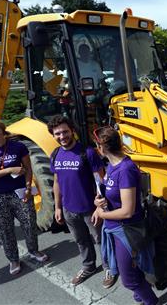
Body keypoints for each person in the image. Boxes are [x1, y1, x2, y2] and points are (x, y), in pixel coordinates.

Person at [47, 115, 117, 288]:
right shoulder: (56, 154)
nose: (62, 136)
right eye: (57, 134)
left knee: (101, 240)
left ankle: (110, 268)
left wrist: (99, 208)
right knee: (81, 241)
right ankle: (89, 266)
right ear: (53, 135)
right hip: (69, 210)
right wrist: (58, 207)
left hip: (90, 209)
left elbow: (101, 181)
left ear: (72, 131)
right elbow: (57, 182)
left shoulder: (87, 153)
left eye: (65, 132)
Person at [0, 119, 49, 275]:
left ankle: (34, 251)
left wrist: (28, 187)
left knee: (29, 224)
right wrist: (8, 170)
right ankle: (13, 259)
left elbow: (28, 169)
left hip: (20, 192)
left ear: (0, 131)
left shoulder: (18, 147)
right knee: (5, 230)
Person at [93, 127, 158, 305]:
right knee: (132, 271)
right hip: (116, 227)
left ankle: (152, 301)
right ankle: (142, 294)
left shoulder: (126, 169)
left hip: (127, 230)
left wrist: (102, 213)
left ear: (101, 147)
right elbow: (108, 192)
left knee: (129, 280)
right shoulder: (110, 166)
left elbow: (127, 210)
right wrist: (98, 203)